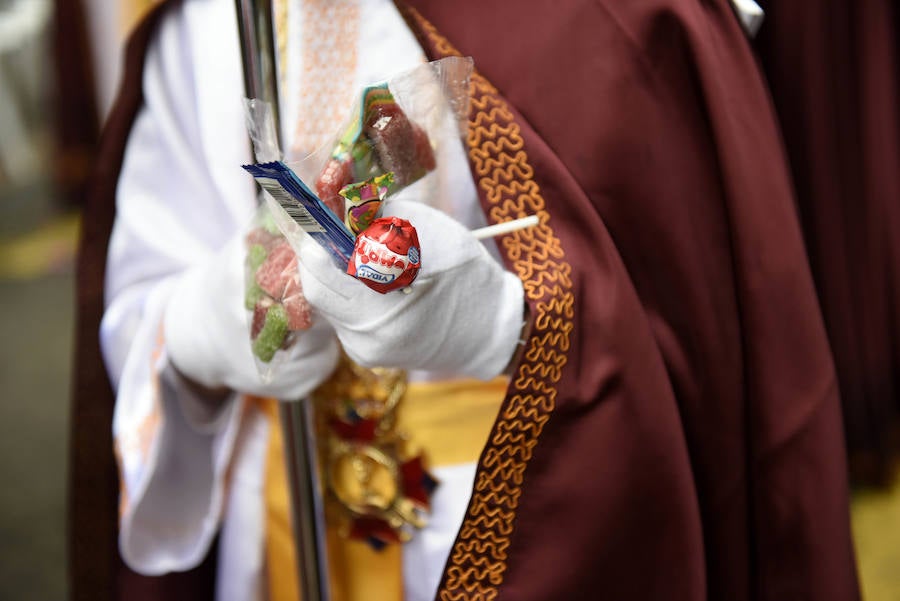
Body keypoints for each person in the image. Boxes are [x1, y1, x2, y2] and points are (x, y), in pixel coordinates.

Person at [69, 0, 861, 600]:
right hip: (274, 529)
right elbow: (145, 279)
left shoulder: (611, 17)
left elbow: (699, 284)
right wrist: (203, 330)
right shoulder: (203, 24)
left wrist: (513, 325)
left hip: (522, 518)